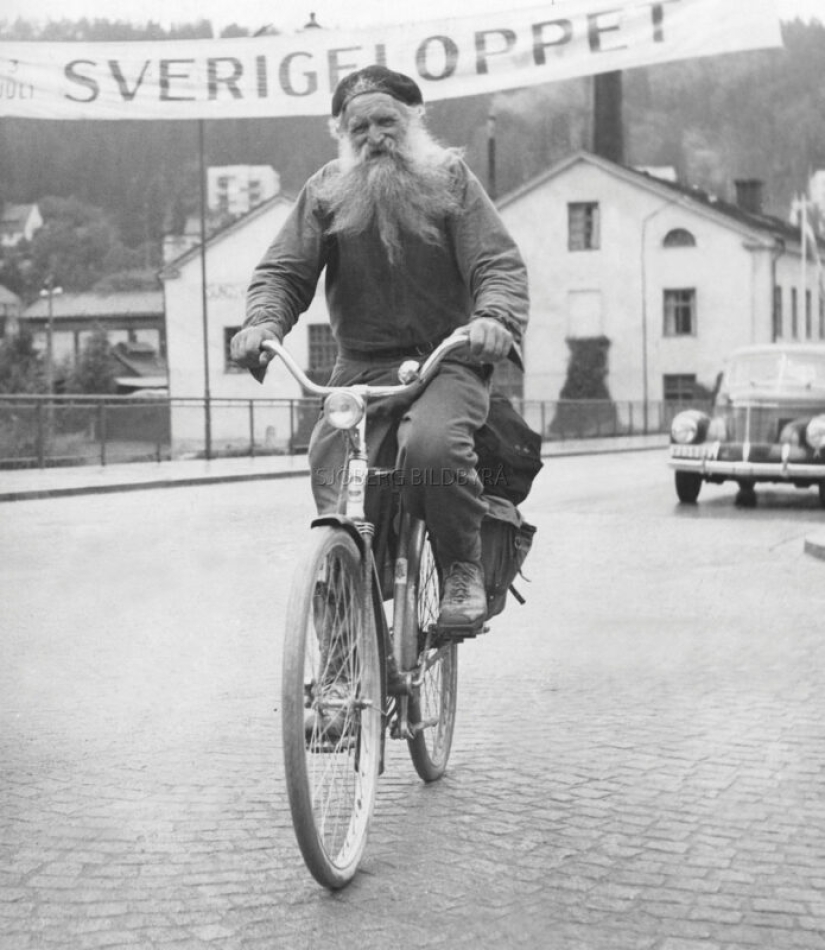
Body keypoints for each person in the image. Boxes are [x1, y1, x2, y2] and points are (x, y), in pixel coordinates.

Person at [231, 64, 529, 635]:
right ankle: (344, 632)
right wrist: (262, 325)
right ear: (342, 133)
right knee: (334, 471)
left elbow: (497, 263)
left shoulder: (451, 179)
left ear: (414, 120)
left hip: (448, 358)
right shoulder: (325, 189)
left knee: (433, 448)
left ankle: (460, 566)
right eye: (358, 127)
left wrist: (493, 318)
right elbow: (283, 272)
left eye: (387, 122)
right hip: (360, 366)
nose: (374, 137)